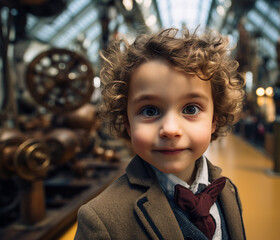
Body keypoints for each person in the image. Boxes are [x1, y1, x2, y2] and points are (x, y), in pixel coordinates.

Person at [75, 27, 246, 240]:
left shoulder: (228, 192)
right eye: (150, 111)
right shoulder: (100, 220)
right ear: (127, 122)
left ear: (215, 120)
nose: (171, 130)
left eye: (191, 109)